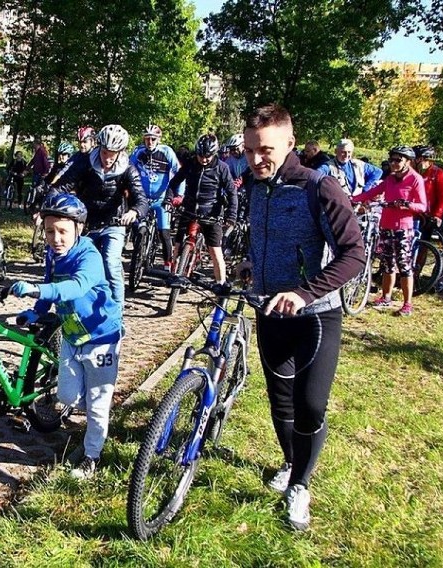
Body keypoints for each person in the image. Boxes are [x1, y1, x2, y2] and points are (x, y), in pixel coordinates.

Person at [241, 104, 365, 531]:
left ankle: (301, 485)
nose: (257, 158)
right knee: (280, 401)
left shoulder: (319, 187)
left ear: (290, 144)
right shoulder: (256, 187)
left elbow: (355, 255)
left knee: (310, 405)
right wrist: (249, 264)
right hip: (269, 312)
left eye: (267, 150)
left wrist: (304, 292)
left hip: (316, 317)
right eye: (250, 149)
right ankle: (292, 464)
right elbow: (264, 238)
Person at [9, 193, 122, 479]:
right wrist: (36, 310)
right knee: (66, 395)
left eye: (62, 231)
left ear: (78, 229)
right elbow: (51, 283)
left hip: (100, 338)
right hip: (72, 335)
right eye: (49, 231)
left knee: (97, 406)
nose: (55, 238)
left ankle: (92, 456)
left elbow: (75, 287)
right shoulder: (52, 254)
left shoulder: (90, 256)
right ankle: (93, 412)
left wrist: (37, 290)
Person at [52, 124, 148, 310]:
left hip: (114, 222)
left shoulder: (128, 169)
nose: (108, 158)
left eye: (113, 153)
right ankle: (79, 307)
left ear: (120, 152)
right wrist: (48, 208)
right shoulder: (87, 163)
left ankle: (118, 312)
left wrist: (134, 211)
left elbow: (141, 198)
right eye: (104, 152)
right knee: (78, 263)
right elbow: (62, 186)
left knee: (110, 262)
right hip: (87, 222)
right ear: (99, 148)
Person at [352, 146, 427, 316]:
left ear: (408, 162)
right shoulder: (391, 178)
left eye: (398, 160)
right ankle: (386, 297)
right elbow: (373, 192)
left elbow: (423, 206)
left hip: (403, 229)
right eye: (392, 160)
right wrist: (352, 199)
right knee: (387, 264)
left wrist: (406, 204)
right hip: (386, 226)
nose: (393, 163)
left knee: (404, 266)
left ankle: (407, 304)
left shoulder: (415, 179)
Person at [165, 134, 237, 283]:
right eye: (200, 156)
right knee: (177, 245)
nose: (203, 159)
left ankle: (220, 286)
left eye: (207, 156)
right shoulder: (190, 164)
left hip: (211, 213)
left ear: (214, 153)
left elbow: (231, 192)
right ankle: (174, 274)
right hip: (189, 209)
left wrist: (231, 215)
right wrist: (168, 199)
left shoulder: (221, 168)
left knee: (216, 252)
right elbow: (174, 183)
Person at [129, 124, 183, 269]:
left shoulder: (167, 152)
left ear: (158, 139)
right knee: (135, 225)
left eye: (153, 139)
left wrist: (179, 195)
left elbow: (180, 174)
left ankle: (167, 264)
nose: (150, 142)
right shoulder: (138, 152)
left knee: (164, 232)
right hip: (143, 198)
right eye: (147, 139)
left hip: (161, 199)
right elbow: (127, 169)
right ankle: (138, 250)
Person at [318, 138, 383, 197]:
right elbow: (316, 175)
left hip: (359, 203)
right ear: (336, 151)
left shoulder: (359, 164)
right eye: (343, 152)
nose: (346, 155)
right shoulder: (328, 166)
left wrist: (367, 187)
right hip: (340, 204)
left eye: (349, 152)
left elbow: (378, 172)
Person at [413, 145, 443, 238]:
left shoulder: (438, 173)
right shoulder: (412, 171)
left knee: (422, 242)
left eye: (415, 158)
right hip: (410, 211)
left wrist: (437, 214)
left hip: (427, 215)